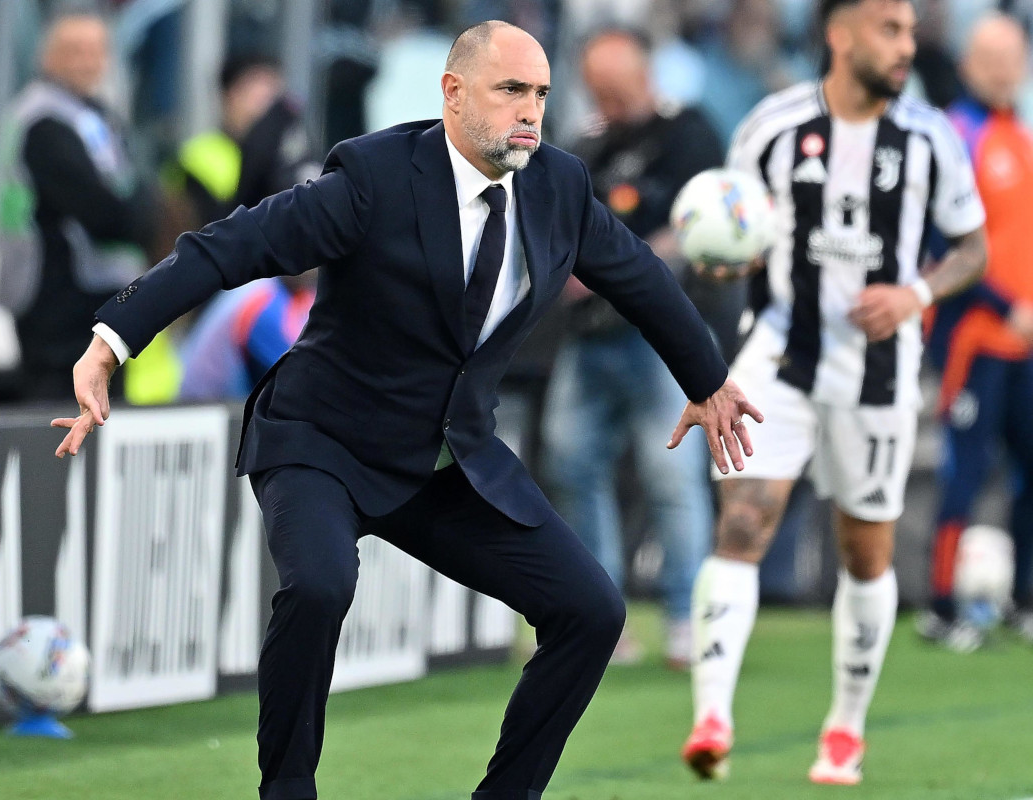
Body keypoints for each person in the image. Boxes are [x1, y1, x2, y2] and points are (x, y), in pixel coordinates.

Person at [55, 21, 760, 800]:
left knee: (591, 611)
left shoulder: (558, 184)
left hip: (444, 460)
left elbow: (637, 276)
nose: (531, 111)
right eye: (511, 90)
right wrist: (111, 341)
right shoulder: (373, 175)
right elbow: (233, 246)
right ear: (453, 94)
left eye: (541, 94)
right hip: (321, 441)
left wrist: (707, 378)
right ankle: (286, 790)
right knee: (319, 586)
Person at [681, 0, 987, 786]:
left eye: (911, 32)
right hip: (781, 350)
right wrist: (723, 260)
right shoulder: (771, 127)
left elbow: (972, 248)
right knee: (744, 519)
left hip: (878, 370)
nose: (905, 46)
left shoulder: (930, 139)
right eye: (890, 29)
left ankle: (845, 728)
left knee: (866, 550)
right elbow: (735, 224)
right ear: (839, 34)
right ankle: (711, 715)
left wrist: (915, 294)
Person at [540, 29, 725, 669]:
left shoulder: (689, 134)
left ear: (644, 73)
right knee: (572, 467)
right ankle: (603, 619)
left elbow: (702, 228)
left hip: (659, 336)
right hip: (589, 335)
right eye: (598, 87)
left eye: (617, 85)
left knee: (671, 475)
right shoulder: (587, 145)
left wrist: (616, 267)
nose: (608, 98)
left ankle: (687, 618)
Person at [918, 13, 1033, 651]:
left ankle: (1022, 598)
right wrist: (1004, 299)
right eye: (991, 57)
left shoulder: (1019, 133)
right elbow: (942, 241)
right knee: (964, 470)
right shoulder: (957, 133)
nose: (1003, 69)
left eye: (1012, 56)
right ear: (968, 63)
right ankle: (940, 607)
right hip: (974, 333)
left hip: (1023, 339)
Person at [3, 11, 168, 402]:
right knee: (60, 416)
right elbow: (109, 213)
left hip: (89, 292)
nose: (88, 62)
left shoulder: (92, 114)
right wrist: (144, 214)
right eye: (74, 51)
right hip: (56, 298)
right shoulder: (45, 121)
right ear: (48, 58)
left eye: (97, 51)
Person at [166, 54, 319, 232]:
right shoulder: (200, 155)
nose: (265, 115)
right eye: (255, 98)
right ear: (228, 96)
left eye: (272, 100)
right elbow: (209, 229)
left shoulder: (287, 155)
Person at [178, 274, 315, 401]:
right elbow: (301, 377)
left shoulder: (293, 291)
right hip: (204, 411)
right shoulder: (261, 300)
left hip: (232, 406)